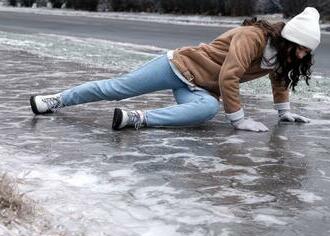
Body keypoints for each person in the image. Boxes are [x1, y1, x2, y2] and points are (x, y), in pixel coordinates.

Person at [30, 7, 320, 132]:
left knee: (205, 111)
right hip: (178, 66)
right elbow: (229, 75)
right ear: (287, 40)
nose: (303, 54)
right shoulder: (252, 37)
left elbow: (280, 78)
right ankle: (55, 99)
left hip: (201, 88)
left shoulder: (283, 56)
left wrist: (284, 112)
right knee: (116, 89)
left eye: (307, 51)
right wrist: (239, 120)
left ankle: (136, 119)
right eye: (301, 48)